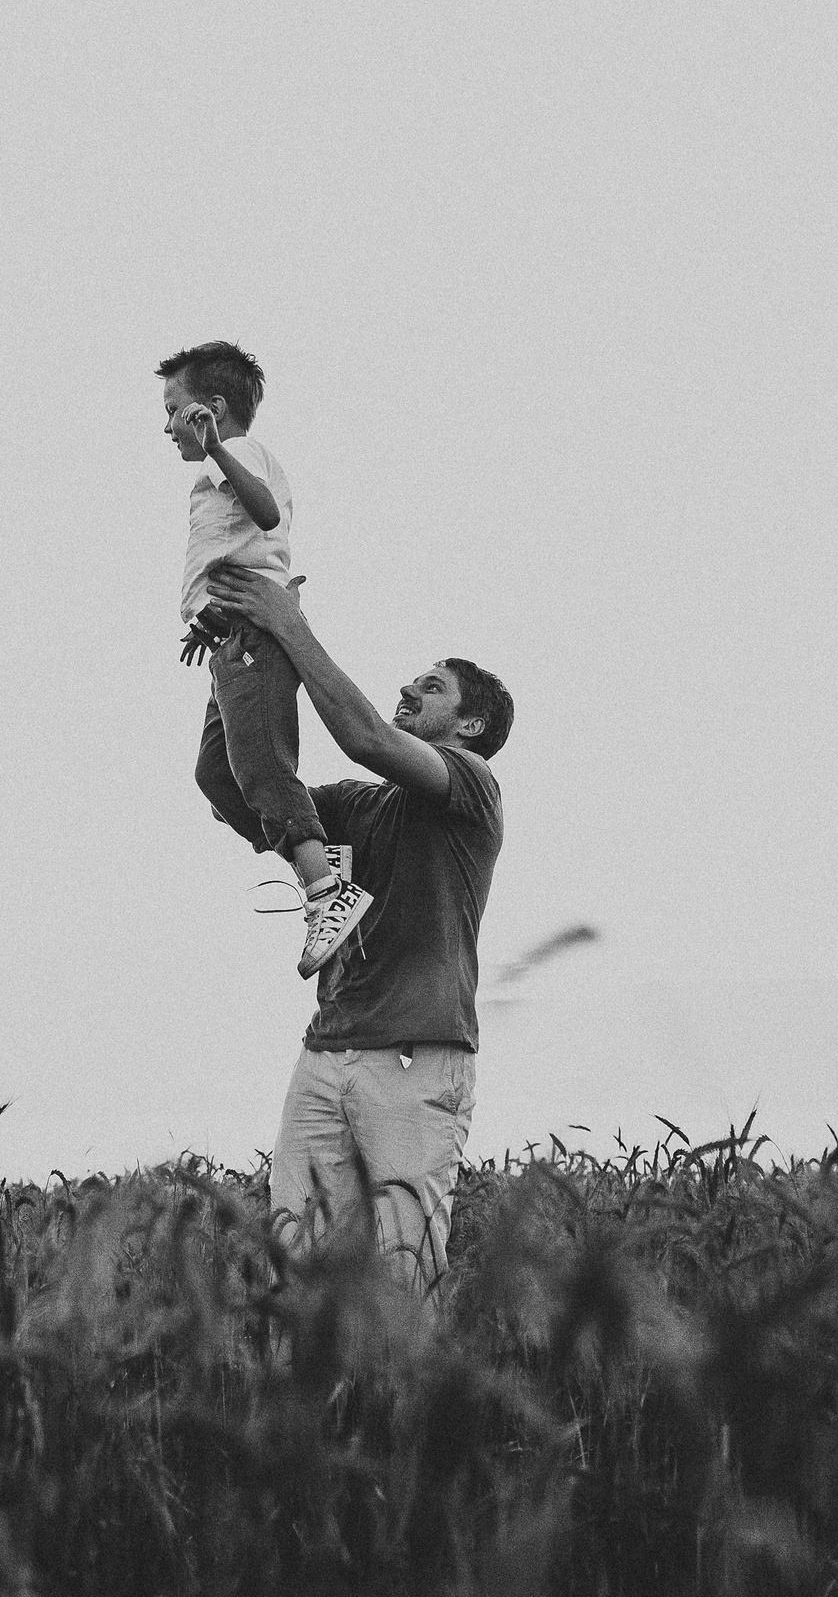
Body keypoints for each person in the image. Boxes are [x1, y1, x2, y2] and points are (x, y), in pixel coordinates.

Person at [201, 560, 514, 1296]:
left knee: (404, 1274)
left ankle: (409, 1409)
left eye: (431, 686)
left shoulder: (470, 787)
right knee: (299, 1268)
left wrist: (291, 624)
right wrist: (239, 663)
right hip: (325, 1053)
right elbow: (233, 786)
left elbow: (365, 736)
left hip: (414, 1060)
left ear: (469, 725)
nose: (409, 689)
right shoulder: (352, 807)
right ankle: (312, 1409)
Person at [158, 342, 372, 978]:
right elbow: (240, 547)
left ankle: (326, 889)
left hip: (254, 635)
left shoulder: (240, 453)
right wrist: (208, 619)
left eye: (174, 410)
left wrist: (218, 446)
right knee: (215, 775)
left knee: (259, 764)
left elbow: (265, 512)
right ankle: (320, 864)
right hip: (230, 634)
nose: (165, 426)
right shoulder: (226, 465)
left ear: (211, 410)